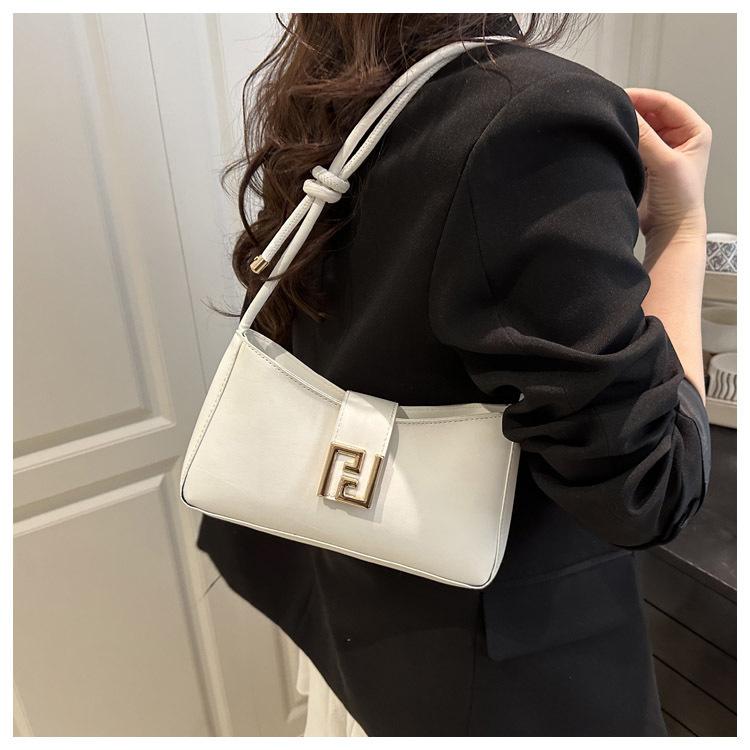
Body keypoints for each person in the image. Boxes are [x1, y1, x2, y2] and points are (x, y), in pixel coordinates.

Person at [195, 13, 712, 736]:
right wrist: (681, 229)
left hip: (356, 613)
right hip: (481, 680)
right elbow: (653, 488)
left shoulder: (345, 88)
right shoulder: (533, 112)